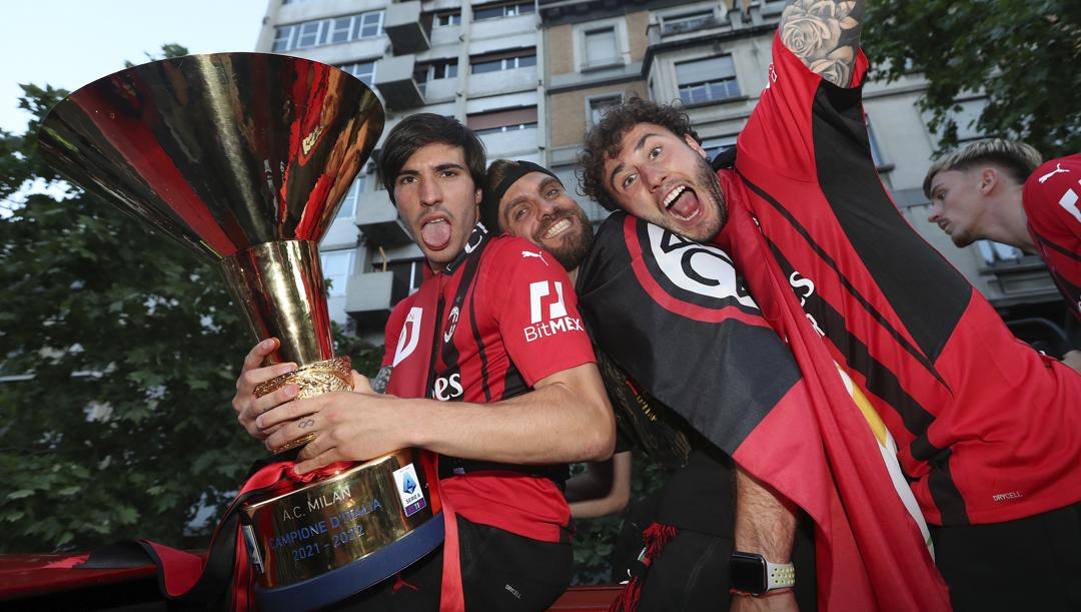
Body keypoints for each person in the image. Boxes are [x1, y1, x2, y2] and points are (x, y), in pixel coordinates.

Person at [576, 1, 1081, 610]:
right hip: (950, 511)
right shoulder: (709, 289)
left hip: (1051, 445)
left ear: (694, 143)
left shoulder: (779, 154)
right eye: (626, 182)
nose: (649, 178)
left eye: (654, 152)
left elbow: (823, 20)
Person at [232, 114, 615, 611]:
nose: (429, 194)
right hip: (409, 521)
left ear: (477, 194)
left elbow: (589, 425)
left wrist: (394, 417)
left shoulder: (517, 261)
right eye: (409, 180)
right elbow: (383, 430)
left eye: (448, 174)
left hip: (503, 537)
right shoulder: (404, 315)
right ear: (397, 202)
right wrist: (282, 401)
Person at [481, 158, 820, 610]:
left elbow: (754, 390)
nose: (547, 209)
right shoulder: (570, 330)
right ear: (504, 249)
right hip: (725, 503)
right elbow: (609, 488)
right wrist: (503, 507)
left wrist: (763, 580)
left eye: (550, 191)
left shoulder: (629, 246)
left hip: (763, 499)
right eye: (521, 211)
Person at [924, 140, 1081, 371]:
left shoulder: (1052, 182)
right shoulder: (1058, 265)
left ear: (986, 181)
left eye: (942, 195)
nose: (933, 215)